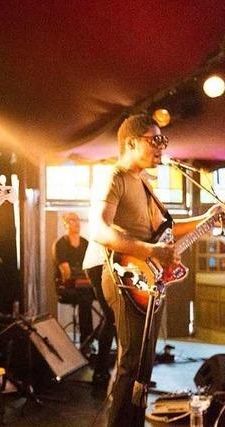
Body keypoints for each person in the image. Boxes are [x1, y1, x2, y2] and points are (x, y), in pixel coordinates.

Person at [89, 113, 223, 426]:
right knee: (132, 362)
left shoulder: (145, 184)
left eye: (163, 140)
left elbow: (166, 230)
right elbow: (98, 230)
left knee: (144, 367)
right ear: (131, 143)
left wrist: (208, 220)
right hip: (123, 276)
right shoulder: (116, 176)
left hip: (146, 280)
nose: (162, 146)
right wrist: (150, 251)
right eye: (155, 140)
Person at [53, 212, 95, 351]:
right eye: (72, 220)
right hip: (66, 288)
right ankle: (87, 341)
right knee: (85, 297)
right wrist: (83, 276)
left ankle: (98, 336)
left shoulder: (85, 243)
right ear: (65, 224)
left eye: (78, 220)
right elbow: (66, 273)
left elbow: (91, 267)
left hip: (85, 286)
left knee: (104, 296)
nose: (77, 223)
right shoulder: (61, 244)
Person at [83, 239, 116, 388]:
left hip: (104, 264)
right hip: (100, 265)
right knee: (112, 317)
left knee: (113, 317)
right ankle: (101, 371)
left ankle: (108, 371)